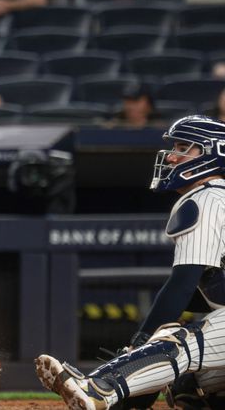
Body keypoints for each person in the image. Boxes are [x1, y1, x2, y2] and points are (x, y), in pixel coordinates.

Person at [34, 115, 225, 410]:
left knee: (178, 342)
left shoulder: (206, 198)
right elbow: (208, 293)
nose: (173, 156)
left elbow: (182, 284)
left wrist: (143, 343)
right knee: (194, 384)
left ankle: (99, 388)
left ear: (215, 152)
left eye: (185, 147)